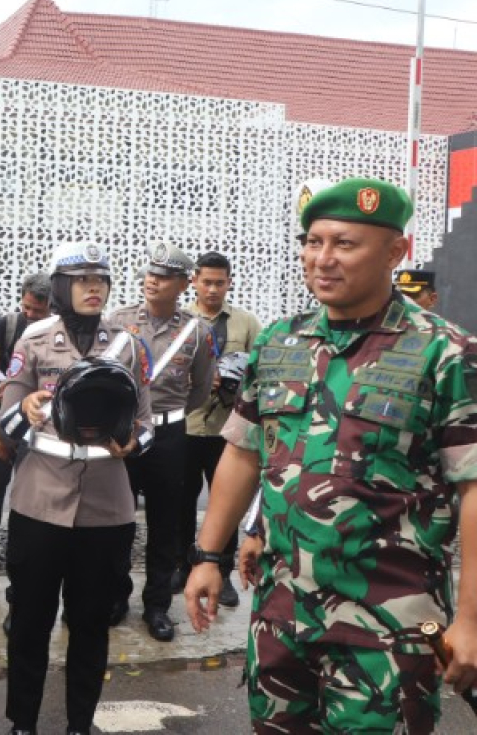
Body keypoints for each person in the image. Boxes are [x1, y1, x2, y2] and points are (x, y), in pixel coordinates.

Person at [185, 176, 477, 733]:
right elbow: (245, 455)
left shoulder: (446, 353)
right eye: (313, 242)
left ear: (396, 251)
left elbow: (474, 489)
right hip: (281, 618)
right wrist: (207, 555)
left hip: (387, 630)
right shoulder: (278, 343)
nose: (322, 259)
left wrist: (471, 619)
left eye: (344, 243)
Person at [0, 241, 152, 735]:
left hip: (106, 508)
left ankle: (80, 724)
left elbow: (148, 424)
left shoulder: (127, 346)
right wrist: (25, 413)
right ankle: (23, 722)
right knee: (29, 622)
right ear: (62, 287)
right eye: (84, 280)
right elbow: (4, 421)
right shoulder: (35, 340)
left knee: (90, 626)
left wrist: (133, 441)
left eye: (101, 281)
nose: (94, 289)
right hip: (40, 503)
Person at [108, 242, 215, 641]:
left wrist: (167, 417)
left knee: (165, 522)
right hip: (126, 433)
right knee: (117, 520)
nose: (153, 281)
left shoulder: (196, 331)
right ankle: (116, 597)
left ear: (184, 284)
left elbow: (201, 389)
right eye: (150, 274)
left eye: (164, 276)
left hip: (170, 435)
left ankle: (157, 605)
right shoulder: (117, 320)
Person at [173, 251, 262, 609]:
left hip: (228, 432)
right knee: (178, 502)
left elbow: (260, 373)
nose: (212, 289)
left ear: (229, 283)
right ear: (193, 281)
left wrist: (234, 382)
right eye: (206, 282)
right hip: (185, 426)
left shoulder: (246, 324)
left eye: (219, 283)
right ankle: (181, 565)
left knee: (226, 502)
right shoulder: (180, 321)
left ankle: (222, 573)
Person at [0, 272, 53, 556]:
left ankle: (26, 540)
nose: (30, 315)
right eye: (26, 307)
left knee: (34, 480)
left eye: (37, 311)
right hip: (8, 413)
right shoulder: (8, 325)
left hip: (45, 419)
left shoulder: (59, 332)